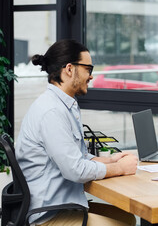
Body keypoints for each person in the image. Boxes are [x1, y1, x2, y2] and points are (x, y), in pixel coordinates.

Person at [15, 39, 138, 226]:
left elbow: (75, 156)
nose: (91, 76)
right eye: (88, 69)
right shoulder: (52, 112)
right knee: (123, 224)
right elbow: (76, 171)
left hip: (64, 204)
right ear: (69, 69)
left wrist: (111, 160)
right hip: (49, 215)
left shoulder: (64, 105)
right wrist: (121, 168)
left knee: (128, 218)